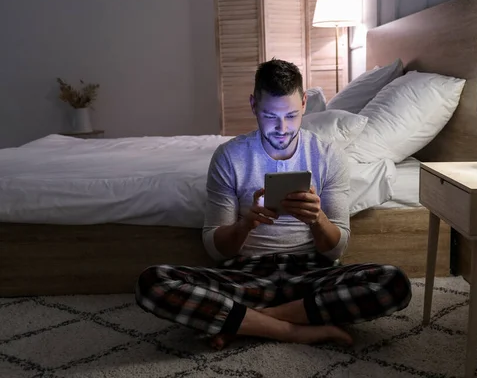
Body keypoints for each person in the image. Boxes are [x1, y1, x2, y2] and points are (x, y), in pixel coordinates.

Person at [135, 59, 412, 350]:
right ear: (253, 105)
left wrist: (317, 219)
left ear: (305, 103)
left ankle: (247, 324)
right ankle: (295, 330)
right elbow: (216, 250)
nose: (282, 128)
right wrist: (245, 225)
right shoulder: (229, 156)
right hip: (246, 276)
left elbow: (336, 249)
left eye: (291, 116)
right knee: (153, 282)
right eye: (270, 116)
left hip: (311, 274)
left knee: (393, 282)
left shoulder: (329, 156)